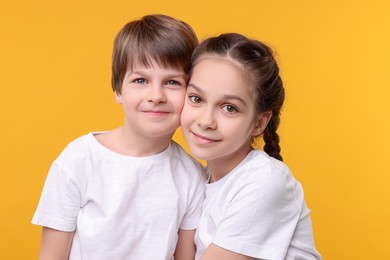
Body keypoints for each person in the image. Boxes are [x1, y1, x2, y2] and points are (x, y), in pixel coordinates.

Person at [32, 14, 206, 260]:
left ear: (192, 93)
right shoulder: (79, 160)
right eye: (140, 80)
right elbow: (51, 256)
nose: (156, 95)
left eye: (172, 82)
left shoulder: (191, 175)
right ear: (117, 89)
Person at [180, 33, 322, 260]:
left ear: (259, 123)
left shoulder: (264, 179)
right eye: (196, 98)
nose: (206, 121)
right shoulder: (197, 180)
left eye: (229, 108)